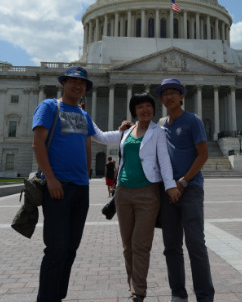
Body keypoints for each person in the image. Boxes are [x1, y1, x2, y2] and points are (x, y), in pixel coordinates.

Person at [91, 92, 180, 302]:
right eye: (140, 107)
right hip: (123, 193)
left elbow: (165, 161)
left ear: (153, 109)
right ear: (134, 110)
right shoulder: (127, 131)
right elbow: (100, 137)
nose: (145, 110)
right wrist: (83, 115)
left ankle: (139, 291)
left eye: (148, 106)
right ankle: (133, 284)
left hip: (147, 193)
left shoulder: (158, 132)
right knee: (127, 245)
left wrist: (170, 187)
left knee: (141, 244)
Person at [31, 66, 101, 302]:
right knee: (56, 248)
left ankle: (57, 296)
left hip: (80, 188)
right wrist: (50, 178)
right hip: (58, 185)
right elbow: (38, 143)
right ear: (64, 84)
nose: (78, 86)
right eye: (73, 81)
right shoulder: (50, 106)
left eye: (82, 83)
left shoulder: (83, 115)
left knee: (70, 248)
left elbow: (87, 144)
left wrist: (87, 176)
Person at [156, 78, 214, 302]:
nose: (169, 96)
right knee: (171, 246)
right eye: (165, 93)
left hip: (189, 189)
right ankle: (178, 293)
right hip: (167, 190)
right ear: (161, 98)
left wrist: (183, 182)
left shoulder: (193, 121)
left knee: (195, 244)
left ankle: (204, 295)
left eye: (174, 92)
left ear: (182, 96)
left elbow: (203, 155)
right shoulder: (161, 124)